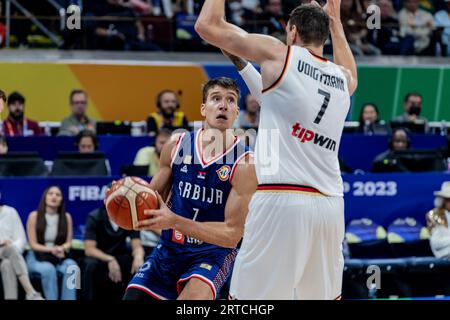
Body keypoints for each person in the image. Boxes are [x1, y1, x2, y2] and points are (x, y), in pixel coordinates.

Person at [195, 0, 357, 299]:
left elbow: (207, 26)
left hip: (281, 200)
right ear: (324, 35)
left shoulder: (280, 54)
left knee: (249, 301)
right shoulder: (342, 79)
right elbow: (347, 73)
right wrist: (335, 20)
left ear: (291, 31)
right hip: (330, 207)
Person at [122, 77, 256, 300]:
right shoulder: (176, 145)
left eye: (230, 100)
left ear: (236, 112)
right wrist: (129, 198)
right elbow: (149, 201)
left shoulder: (245, 163)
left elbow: (231, 236)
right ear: (203, 109)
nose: (223, 105)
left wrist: (174, 221)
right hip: (169, 249)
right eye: (216, 98)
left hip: (212, 253)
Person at [26, 186, 78, 300]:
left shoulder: (67, 217)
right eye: (50, 193)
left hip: (58, 256)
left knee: (73, 267)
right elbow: (33, 244)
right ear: (45, 197)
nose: (54, 196)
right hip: (36, 257)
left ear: (62, 200)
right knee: (49, 269)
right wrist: (52, 250)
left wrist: (61, 248)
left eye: (58, 194)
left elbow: (69, 242)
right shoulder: (34, 216)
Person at [82, 205, 144, 300]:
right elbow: (89, 249)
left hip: (120, 255)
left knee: (137, 265)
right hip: (100, 256)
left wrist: (139, 257)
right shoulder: (95, 216)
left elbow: (137, 246)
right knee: (90, 265)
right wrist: (110, 259)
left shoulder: (129, 217)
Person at [0, 202, 44, 300]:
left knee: (7, 264)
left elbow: (21, 239)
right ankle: (30, 292)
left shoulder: (11, 212)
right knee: (10, 249)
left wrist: (10, 244)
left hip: (7, 254)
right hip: (5, 249)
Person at [426, 182, 450, 259]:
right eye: (448, 200)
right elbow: (435, 243)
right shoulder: (435, 215)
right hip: (444, 256)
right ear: (443, 200)